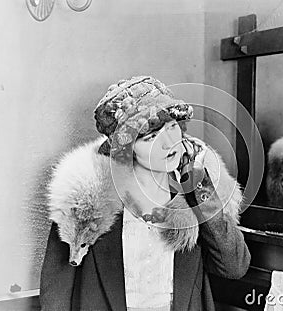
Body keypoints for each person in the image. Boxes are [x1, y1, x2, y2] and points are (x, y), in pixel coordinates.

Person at [39, 76, 250, 311]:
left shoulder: (197, 194)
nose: (169, 143)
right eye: (150, 137)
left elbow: (235, 267)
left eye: (172, 128)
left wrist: (200, 187)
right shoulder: (89, 204)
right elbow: (55, 295)